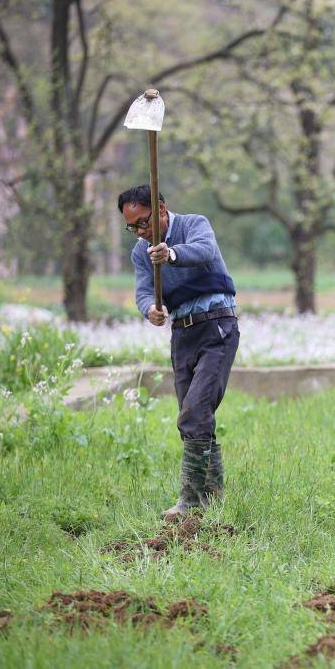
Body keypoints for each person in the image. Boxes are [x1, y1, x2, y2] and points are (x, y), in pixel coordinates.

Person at [119, 185, 240, 520]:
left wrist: (171, 254)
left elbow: (204, 250)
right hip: (182, 335)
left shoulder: (194, 224)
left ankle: (190, 501)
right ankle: (212, 499)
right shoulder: (140, 252)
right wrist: (150, 310)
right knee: (196, 417)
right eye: (133, 227)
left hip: (216, 326)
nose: (141, 232)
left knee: (194, 411)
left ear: (160, 208)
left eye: (144, 222)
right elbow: (144, 290)